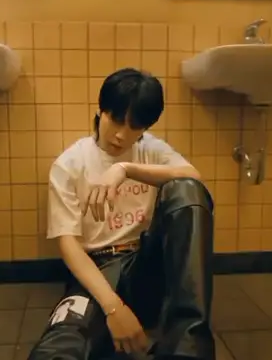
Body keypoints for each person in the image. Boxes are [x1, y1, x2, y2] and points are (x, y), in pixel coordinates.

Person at [28, 68, 215, 360]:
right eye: (116, 119)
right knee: (61, 343)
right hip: (98, 269)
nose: (121, 135)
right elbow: (68, 244)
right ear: (100, 110)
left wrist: (125, 169)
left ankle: (189, 347)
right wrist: (113, 308)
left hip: (147, 264)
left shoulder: (150, 150)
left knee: (187, 190)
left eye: (134, 127)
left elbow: (194, 178)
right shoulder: (70, 164)